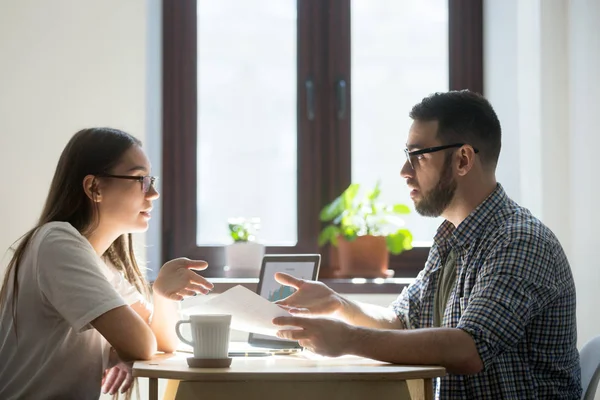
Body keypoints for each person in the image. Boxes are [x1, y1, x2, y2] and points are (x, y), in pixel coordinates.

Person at [273, 91, 581, 399]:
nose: (405, 172)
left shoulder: (520, 241)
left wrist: (348, 340)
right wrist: (339, 304)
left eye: (418, 156)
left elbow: (468, 348)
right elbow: (401, 322)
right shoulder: (452, 238)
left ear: (463, 160)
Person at [0, 128, 214, 399]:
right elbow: (141, 344)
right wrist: (125, 347)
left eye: (151, 180)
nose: (154, 194)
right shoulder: (57, 242)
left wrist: (163, 295)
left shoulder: (98, 263)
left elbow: (161, 340)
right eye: (141, 180)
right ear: (94, 187)